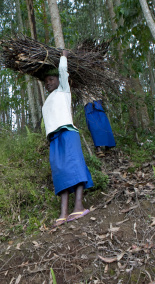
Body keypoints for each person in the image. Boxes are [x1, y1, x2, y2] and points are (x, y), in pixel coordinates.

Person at [42, 50, 94, 227]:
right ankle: (64, 213)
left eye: (51, 80)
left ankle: (78, 207)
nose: (48, 83)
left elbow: (63, 73)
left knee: (75, 166)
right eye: (46, 81)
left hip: (68, 132)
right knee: (60, 173)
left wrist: (63, 57)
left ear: (58, 81)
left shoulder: (64, 91)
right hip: (54, 138)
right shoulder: (48, 100)